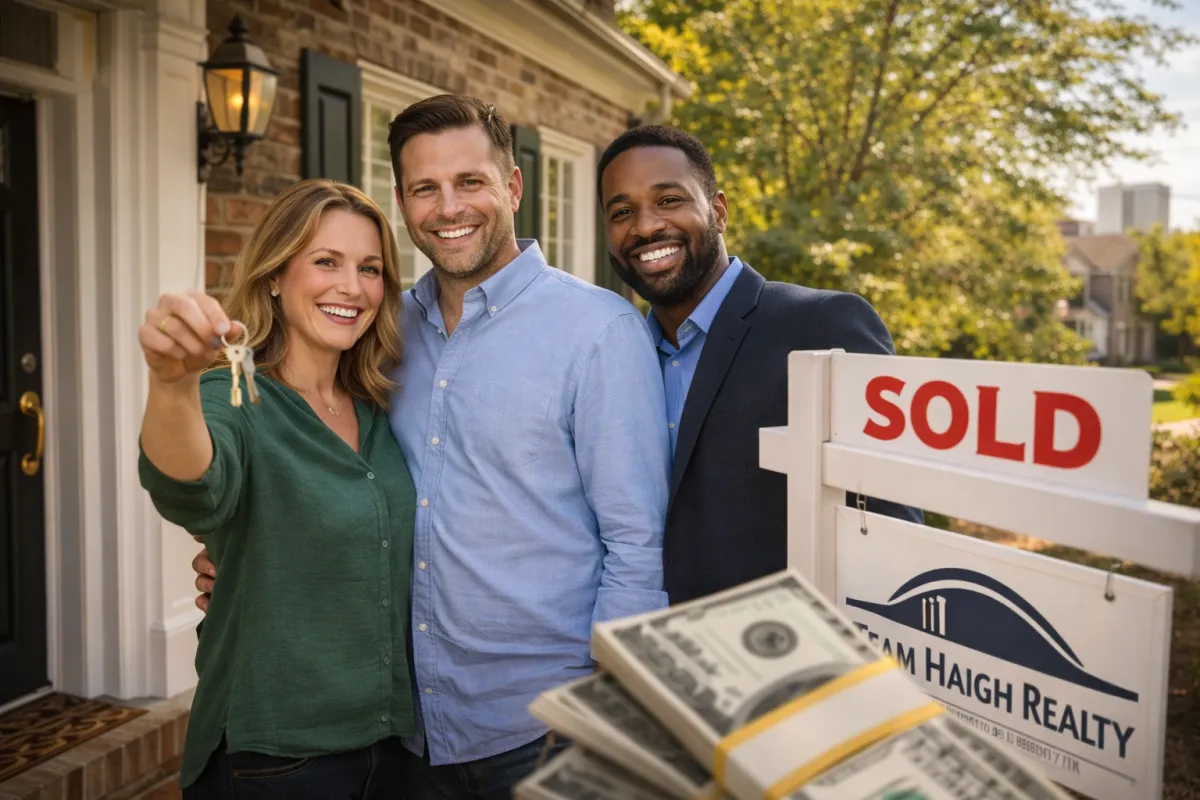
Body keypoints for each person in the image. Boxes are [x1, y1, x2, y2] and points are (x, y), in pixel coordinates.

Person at [190, 95, 671, 799]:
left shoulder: (597, 330)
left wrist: (606, 713)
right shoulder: (379, 330)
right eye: (425, 188)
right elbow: (337, 476)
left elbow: (635, 541)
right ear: (404, 202)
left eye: (470, 182)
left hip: (542, 728)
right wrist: (244, 563)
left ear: (511, 186)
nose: (449, 207)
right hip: (406, 730)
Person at [137, 179, 417, 797]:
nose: (352, 286)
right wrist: (170, 385)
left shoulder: (377, 409)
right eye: (326, 262)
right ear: (273, 275)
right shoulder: (233, 396)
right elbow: (192, 486)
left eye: (370, 268)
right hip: (278, 757)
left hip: (391, 746)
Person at [597, 124, 925, 603]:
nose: (645, 226)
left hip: (792, 659)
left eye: (669, 200)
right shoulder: (615, 356)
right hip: (642, 654)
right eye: (622, 212)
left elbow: (888, 531)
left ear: (719, 211)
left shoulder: (823, 326)